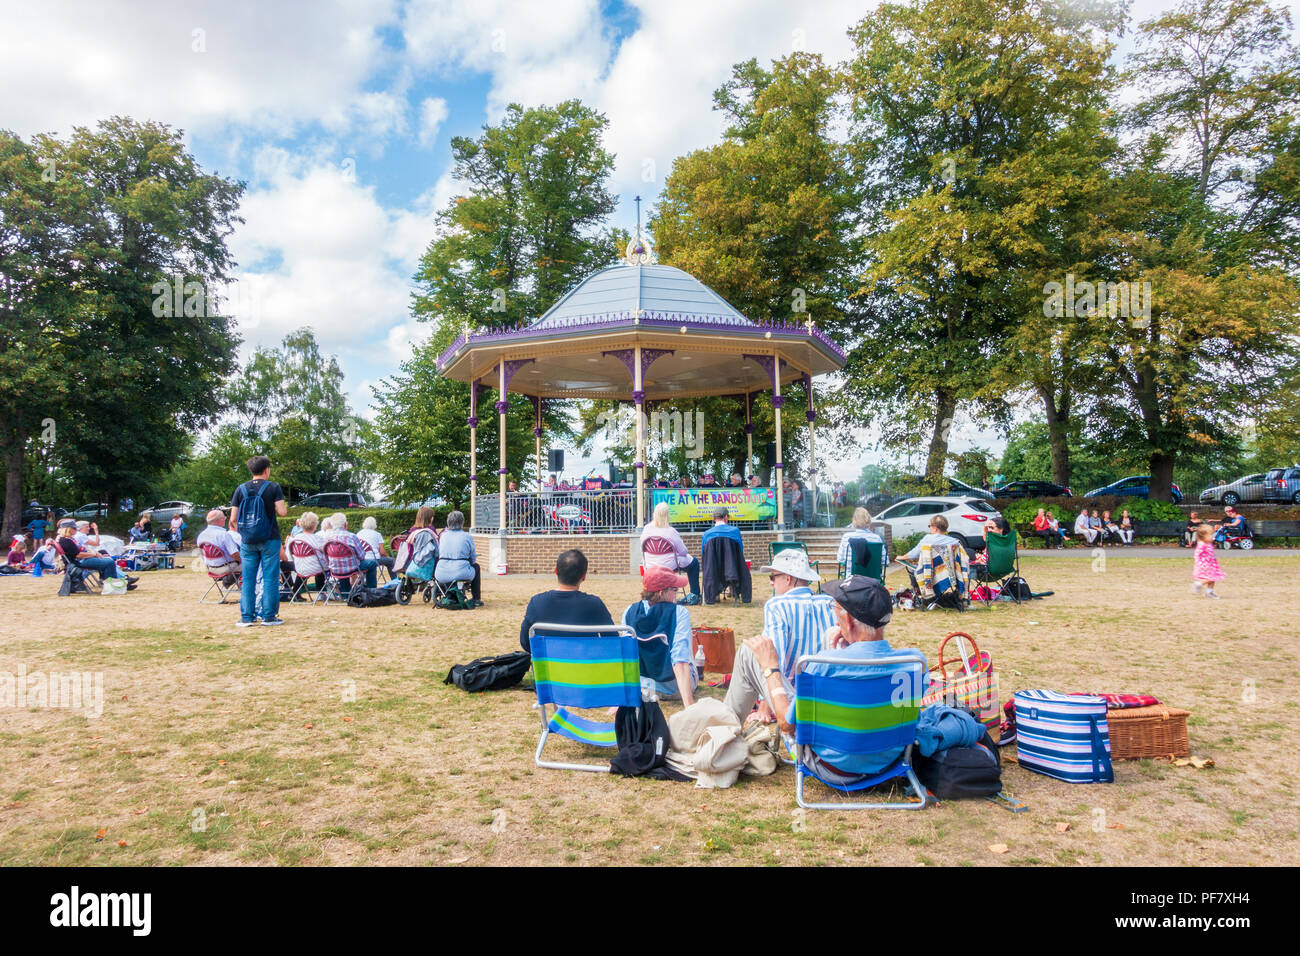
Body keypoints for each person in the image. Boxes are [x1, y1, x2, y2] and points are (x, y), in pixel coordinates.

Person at [739, 576, 911, 782]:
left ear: (847, 619)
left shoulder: (821, 665)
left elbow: (786, 725)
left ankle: (723, 737)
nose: (834, 615)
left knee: (749, 653)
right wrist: (853, 642)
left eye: (835, 607)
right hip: (887, 762)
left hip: (832, 766)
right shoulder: (914, 663)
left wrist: (770, 668)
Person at [723, 548, 834, 726]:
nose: (771, 583)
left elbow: (775, 658)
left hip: (790, 702)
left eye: (772, 577)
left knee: (749, 650)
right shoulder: (829, 604)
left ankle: (726, 725)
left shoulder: (777, 605)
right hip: (825, 697)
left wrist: (764, 708)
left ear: (788, 578)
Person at [621, 566, 697, 706]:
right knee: (687, 653)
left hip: (643, 687)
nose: (676, 594)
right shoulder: (679, 613)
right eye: (674, 589)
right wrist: (690, 707)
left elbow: (627, 658)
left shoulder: (629, 611)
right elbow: (679, 660)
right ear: (662, 592)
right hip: (674, 689)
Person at [230, 455, 289, 627]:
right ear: (266, 470)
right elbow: (283, 512)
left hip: (248, 540)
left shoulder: (240, 489)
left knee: (248, 578)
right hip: (269, 537)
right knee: (270, 577)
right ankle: (268, 616)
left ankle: (247, 617)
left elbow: (233, 518)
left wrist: (246, 531)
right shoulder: (273, 487)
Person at [519, 548, 614, 652]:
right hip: (586, 666)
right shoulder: (595, 604)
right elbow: (612, 640)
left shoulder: (537, 602)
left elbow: (526, 643)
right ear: (584, 576)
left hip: (548, 667)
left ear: (556, 571)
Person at [639, 501, 701, 604]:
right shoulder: (671, 531)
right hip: (670, 565)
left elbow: (642, 548)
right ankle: (694, 595)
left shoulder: (646, 529)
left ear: (654, 514)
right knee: (694, 563)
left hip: (650, 565)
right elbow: (683, 552)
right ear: (667, 515)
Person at [55, 522, 137, 590]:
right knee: (109, 562)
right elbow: (78, 555)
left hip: (79, 561)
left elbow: (79, 552)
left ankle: (114, 584)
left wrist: (94, 554)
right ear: (69, 529)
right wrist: (94, 554)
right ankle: (113, 586)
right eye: (74, 529)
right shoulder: (66, 541)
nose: (76, 530)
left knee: (107, 560)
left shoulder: (66, 539)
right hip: (78, 562)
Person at [434, 510, 481, 605]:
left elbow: (440, 553)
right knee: (476, 567)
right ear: (462, 522)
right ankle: (476, 599)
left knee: (450, 569)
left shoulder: (443, 536)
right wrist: (470, 562)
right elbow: (472, 556)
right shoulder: (467, 536)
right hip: (461, 571)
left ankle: (450, 594)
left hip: (442, 572)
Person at [323, 513, 378, 591]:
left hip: (335, 569)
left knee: (342, 567)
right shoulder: (351, 536)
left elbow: (325, 557)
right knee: (372, 563)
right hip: (352, 568)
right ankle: (371, 591)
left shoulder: (327, 538)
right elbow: (362, 556)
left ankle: (345, 594)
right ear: (345, 524)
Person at [196, 509, 241, 586]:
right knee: (250, 563)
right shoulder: (224, 535)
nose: (225, 520)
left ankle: (228, 581)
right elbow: (235, 555)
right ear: (220, 520)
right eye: (224, 518)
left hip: (211, 568)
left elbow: (201, 554)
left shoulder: (201, 536)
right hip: (227, 568)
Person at [288, 511, 329, 597]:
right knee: (323, 564)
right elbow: (326, 551)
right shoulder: (317, 539)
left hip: (299, 568)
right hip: (316, 568)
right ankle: (321, 592)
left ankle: (295, 593)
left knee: (307, 564)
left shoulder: (295, 539)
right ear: (315, 525)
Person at [836, 507, 886, 571]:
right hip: (873, 579)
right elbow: (885, 561)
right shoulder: (876, 538)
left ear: (854, 521)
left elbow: (840, 559)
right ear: (868, 520)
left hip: (852, 578)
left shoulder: (846, 537)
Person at [1192, 523, 1225, 598]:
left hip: (1212, 564)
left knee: (1213, 578)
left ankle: (1209, 593)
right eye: (1210, 535)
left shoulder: (1209, 543)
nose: (1212, 537)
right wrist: (1201, 564)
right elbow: (1197, 555)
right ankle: (1199, 584)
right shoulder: (1201, 545)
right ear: (1203, 536)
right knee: (1211, 578)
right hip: (1205, 565)